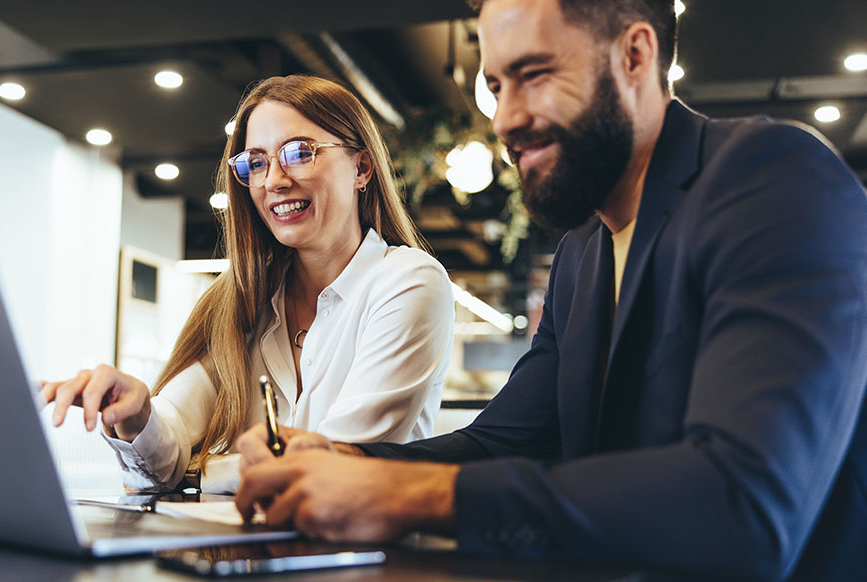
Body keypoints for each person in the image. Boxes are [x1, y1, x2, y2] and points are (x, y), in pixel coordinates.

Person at [234, 1, 867, 580]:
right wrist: (342, 457)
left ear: (635, 56)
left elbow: (744, 505)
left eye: (533, 74)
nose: (506, 119)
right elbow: (505, 441)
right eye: (495, 87)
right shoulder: (583, 251)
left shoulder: (774, 179)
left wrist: (406, 496)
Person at [41, 75, 455, 493]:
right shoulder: (244, 301)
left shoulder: (409, 282)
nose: (274, 179)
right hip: (253, 554)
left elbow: (336, 464)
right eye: (256, 162)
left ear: (361, 167)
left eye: (299, 153)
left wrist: (197, 473)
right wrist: (137, 416)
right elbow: (168, 440)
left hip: (371, 554)